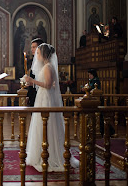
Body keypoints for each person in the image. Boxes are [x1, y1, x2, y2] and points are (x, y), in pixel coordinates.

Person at [23, 43, 77, 172]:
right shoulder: (47, 66)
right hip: (43, 97)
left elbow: (47, 85)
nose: (37, 56)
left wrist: (32, 81)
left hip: (46, 98)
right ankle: (39, 154)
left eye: (38, 53)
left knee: (46, 125)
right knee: (40, 125)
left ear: (44, 55)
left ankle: (50, 155)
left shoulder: (48, 67)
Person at [26, 38, 44, 106]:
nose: (32, 49)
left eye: (34, 47)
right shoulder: (33, 61)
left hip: (41, 95)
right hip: (33, 95)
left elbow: (45, 82)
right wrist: (28, 96)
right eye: (31, 47)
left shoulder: (44, 63)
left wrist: (32, 82)